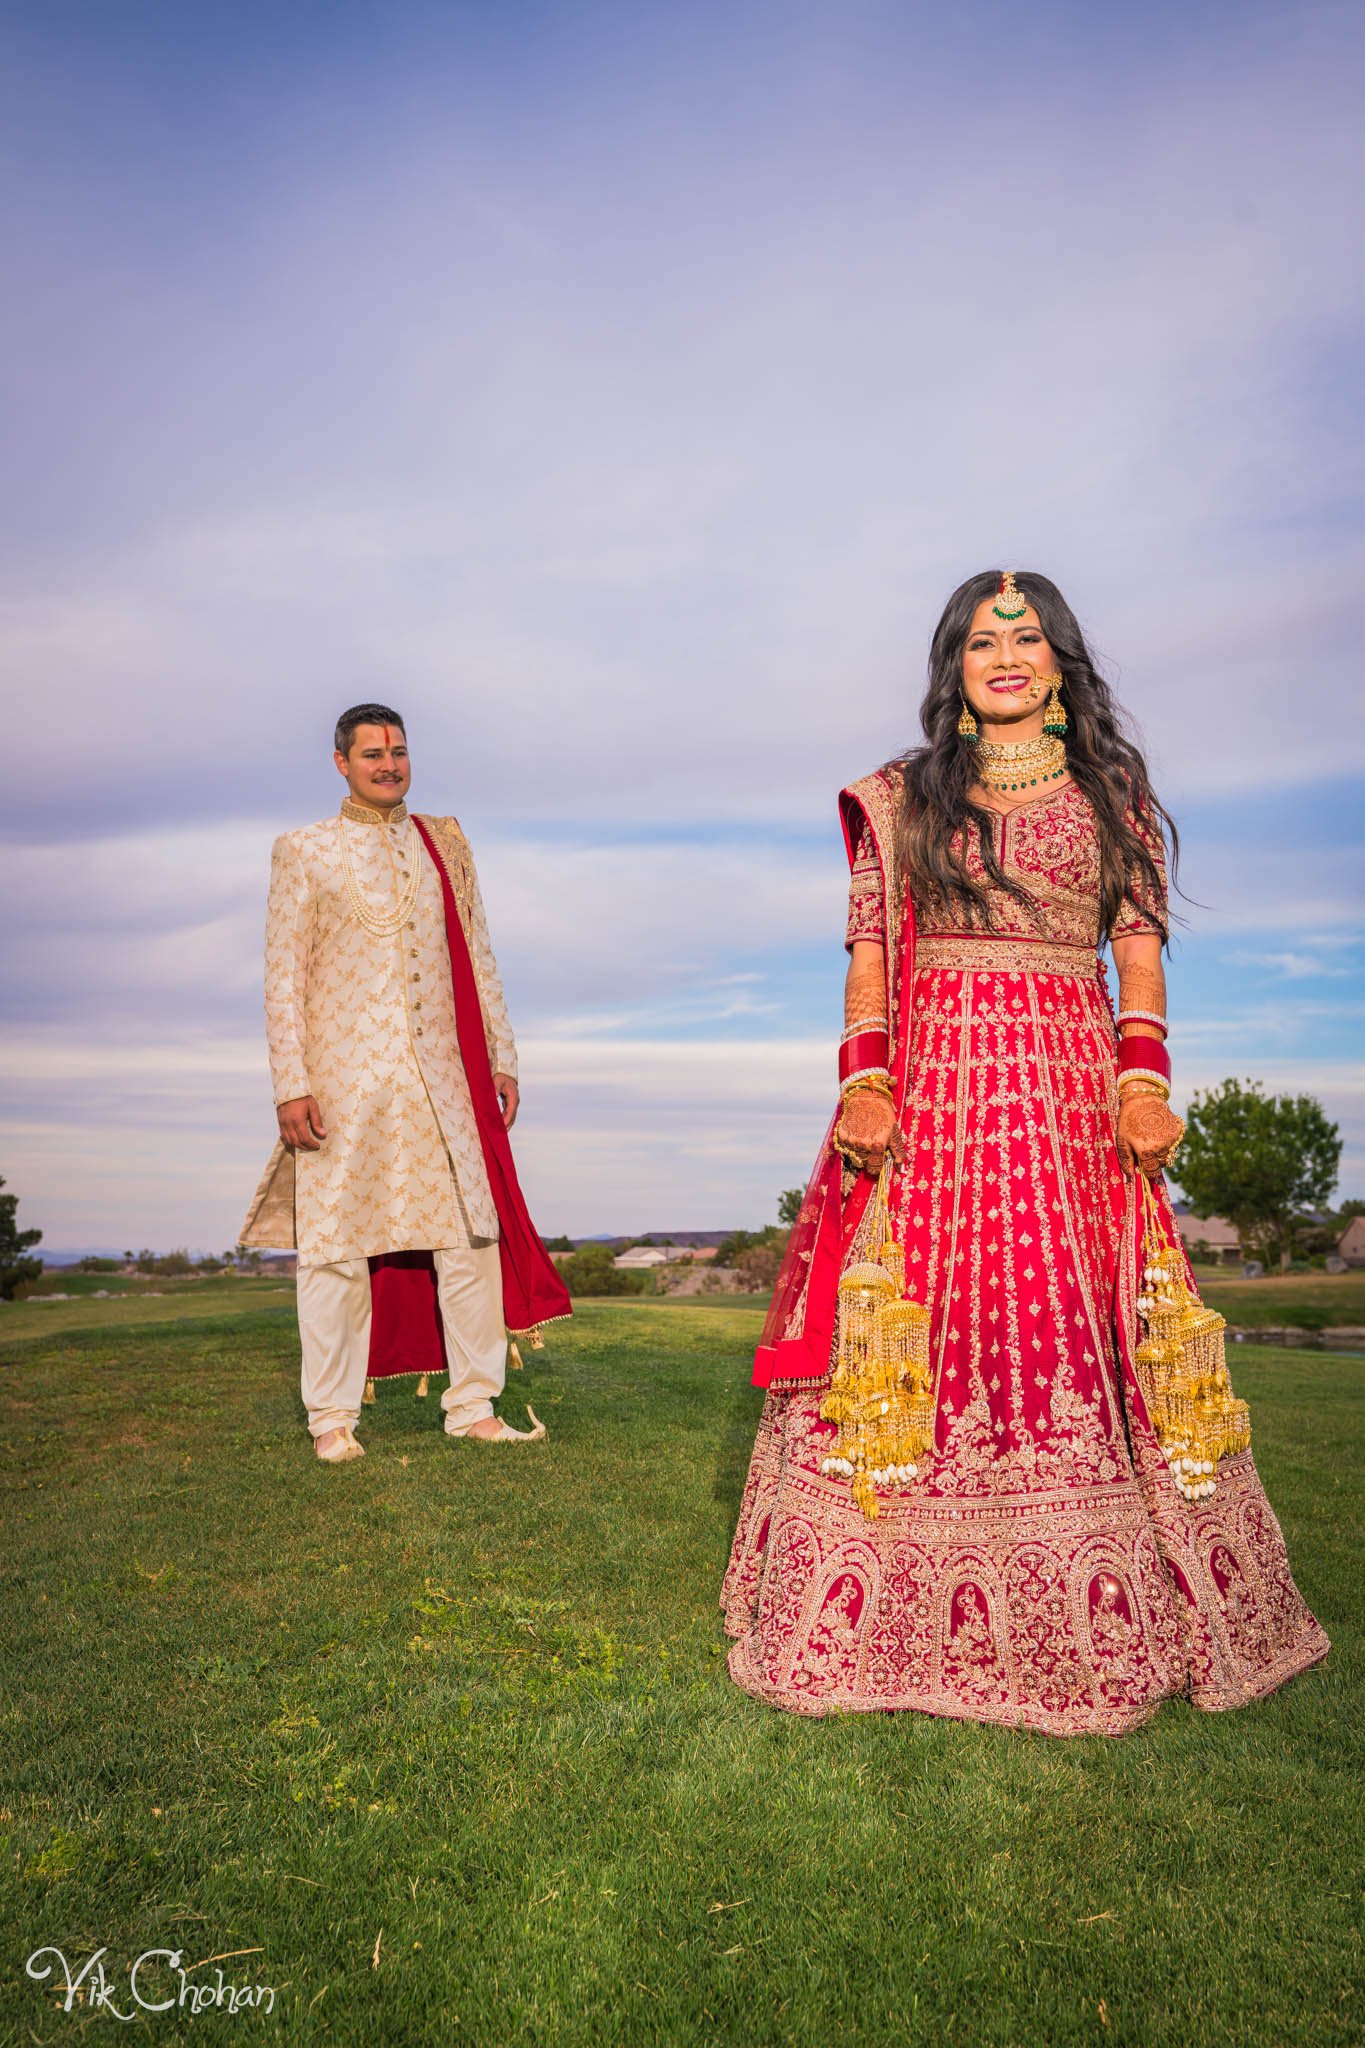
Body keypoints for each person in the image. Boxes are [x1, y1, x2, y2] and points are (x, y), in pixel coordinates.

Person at [723, 571, 1328, 1734]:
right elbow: (867, 953)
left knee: (1059, 1308)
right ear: (953, 666)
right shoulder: (903, 795)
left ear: (1061, 664)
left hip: (1064, 1084)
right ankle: (877, 1594)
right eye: (983, 640)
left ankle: (1108, 1588)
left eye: (1029, 638)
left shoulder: (1113, 790)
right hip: (940, 1088)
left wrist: (1143, 1082)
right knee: (924, 1317)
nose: (1007, 655)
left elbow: (1139, 949)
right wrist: (864, 1080)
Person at [240, 704, 569, 1462]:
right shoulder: (304, 850)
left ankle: (474, 1404)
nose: (388, 765)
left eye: (398, 751)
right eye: (371, 754)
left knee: (467, 1241)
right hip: (343, 1085)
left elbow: (478, 954)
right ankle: (331, 1420)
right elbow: (281, 978)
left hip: (443, 1078)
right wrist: (291, 1084)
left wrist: (502, 1058)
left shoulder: (443, 843)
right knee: (332, 1251)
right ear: (340, 763)